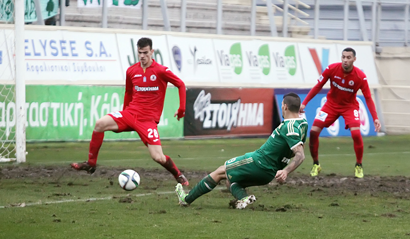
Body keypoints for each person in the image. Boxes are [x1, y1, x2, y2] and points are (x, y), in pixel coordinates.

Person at [71, 37, 189, 186]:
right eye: (140, 53)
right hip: (130, 113)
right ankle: (91, 164)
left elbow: (180, 84)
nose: (142, 56)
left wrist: (182, 109)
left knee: (158, 157)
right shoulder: (131, 71)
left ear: (152, 52)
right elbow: (128, 92)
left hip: (147, 120)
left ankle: (178, 175)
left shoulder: (161, 71)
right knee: (100, 124)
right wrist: (125, 112)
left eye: (145, 53)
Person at [175, 93, 307, 209]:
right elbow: (299, 146)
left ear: (285, 107)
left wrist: (286, 171)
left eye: (282, 105)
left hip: (259, 162)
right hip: (269, 172)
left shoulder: (289, 127)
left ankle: (186, 199)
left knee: (221, 171)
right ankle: (243, 198)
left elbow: (300, 155)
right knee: (231, 181)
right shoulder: (302, 124)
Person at [300, 47, 381, 179]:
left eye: (348, 58)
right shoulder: (331, 69)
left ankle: (359, 165)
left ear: (354, 59)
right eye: (343, 57)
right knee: (313, 131)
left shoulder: (360, 76)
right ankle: (316, 164)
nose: (345, 60)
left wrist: (375, 118)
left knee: (356, 133)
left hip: (349, 107)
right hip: (330, 105)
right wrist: (305, 103)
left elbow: (368, 98)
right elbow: (318, 86)